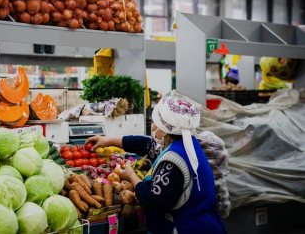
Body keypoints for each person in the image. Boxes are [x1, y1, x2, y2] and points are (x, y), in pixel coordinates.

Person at [86, 96, 227, 234]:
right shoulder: (189, 144)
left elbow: (153, 201)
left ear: (165, 130)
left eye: (156, 124)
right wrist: (107, 141)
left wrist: (132, 177)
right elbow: (145, 144)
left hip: (186, 228)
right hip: (206, 225)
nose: (153, 127)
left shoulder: (173, 160)